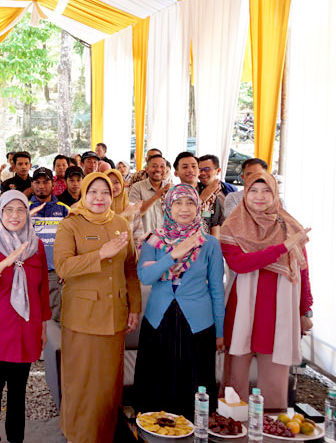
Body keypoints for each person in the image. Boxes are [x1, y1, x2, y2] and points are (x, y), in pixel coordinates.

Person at [54, 173, 140, 443]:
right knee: (81, 383)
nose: (99, 198)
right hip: (83, 319)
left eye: (105, 192)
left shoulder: (121, 223)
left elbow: (130, 268)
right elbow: (63, 267)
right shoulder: (70, 225)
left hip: (114, 317)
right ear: (83, 193)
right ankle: (77, 434)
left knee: (108, 385)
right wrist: (101, 253)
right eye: (93, 191)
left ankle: (104, 435)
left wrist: (134, 307)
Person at [220, 172, 313, 409]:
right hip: (242, 306)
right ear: (245, 194)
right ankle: (233, 422)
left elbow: (302, 271)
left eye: (266, 191)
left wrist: (305, 311)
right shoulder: (233, 226)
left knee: (275, 373)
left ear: (275, 194)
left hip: (280, 307)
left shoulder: (290, 226)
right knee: (236, 374)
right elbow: (239, 263)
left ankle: (273, 423)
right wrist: (281, 248)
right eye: (253, 190)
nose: (259, 196)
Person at [133, 184, 225, 419]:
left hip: (197, 324)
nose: (184, 208)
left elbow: (217, 290)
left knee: (193, 391)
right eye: (178, 203)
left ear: (198, 207)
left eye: (190, 203)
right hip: (159, 321)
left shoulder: (209, 244)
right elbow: (145, 276)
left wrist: (220, 332)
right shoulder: (153, 240)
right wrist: (174, 254)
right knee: (156, 388)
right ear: (168, 207)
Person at [0, 190, 50, 443]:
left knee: (18, 392)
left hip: (26, 328)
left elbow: (42, 290)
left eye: (20, 210)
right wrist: (3, 265)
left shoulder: (36, 246)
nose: (15, 215)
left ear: (27, 213)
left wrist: (43, 327)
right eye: (8, 210)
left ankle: (16, 439)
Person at [29, 167, 71, 322]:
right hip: (30, 272)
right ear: (32, 185)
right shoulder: (23, 209)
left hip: (55, 274)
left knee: (54, 319)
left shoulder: (65, 210)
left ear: (53, 184)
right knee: (31, 317)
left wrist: (66, 270)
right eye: (37, 182)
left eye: (45, 182)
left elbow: (72, 242)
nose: (41, 186)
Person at [173, 152, 225, 238]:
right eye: (185, 167)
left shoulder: (210, 193)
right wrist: (203, 197)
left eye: (194, 166)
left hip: (206, 243)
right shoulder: (172, 194)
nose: (190, 170)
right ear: (176, 173)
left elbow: (215, 225)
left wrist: (214, 244)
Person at [129, 154, 171, 243]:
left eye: (162, 166)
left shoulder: (171, 188)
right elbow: (134, 214)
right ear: (147, 169)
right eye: (154, 166)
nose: (158, 169)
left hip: (166, 242)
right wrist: (157, 195)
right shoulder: (137, 187)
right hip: (144, 241)